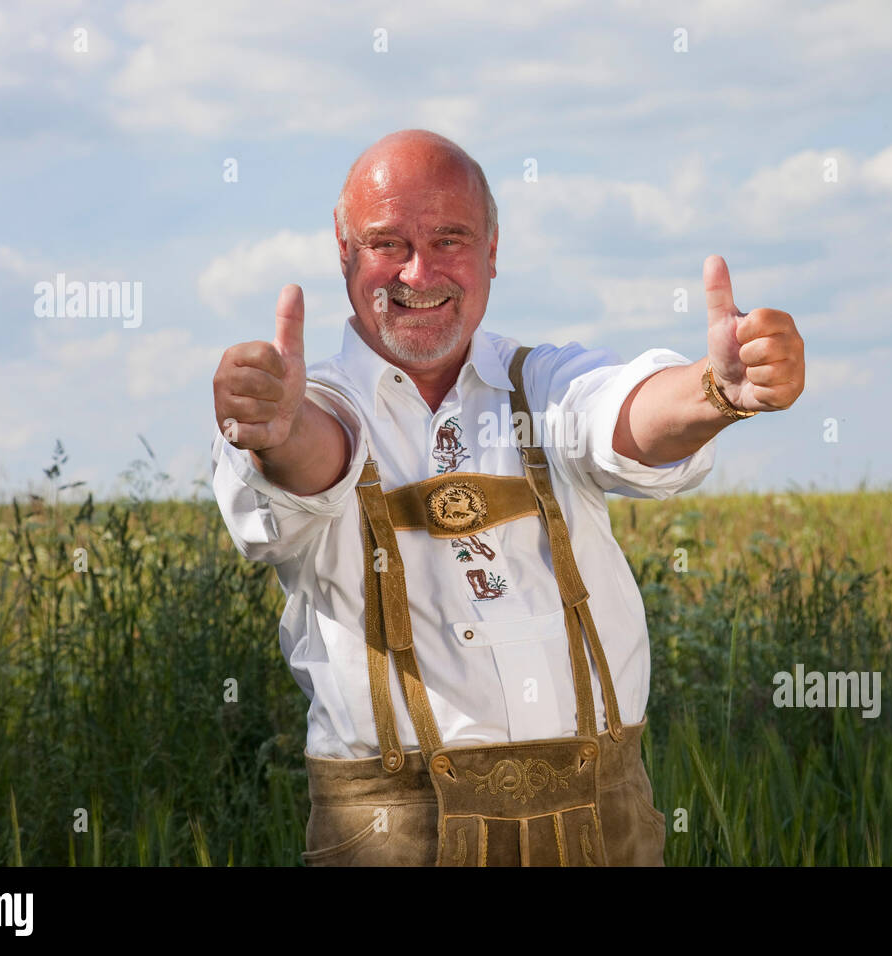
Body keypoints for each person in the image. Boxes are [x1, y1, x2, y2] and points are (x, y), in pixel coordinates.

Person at [209, 129, 805, 866]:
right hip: (394, 837)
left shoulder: (543, 382)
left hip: (606, 821)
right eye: (387, 243)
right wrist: (279, 428)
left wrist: (717, 391)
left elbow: (620, 413)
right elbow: (317, 455)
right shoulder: (315, 402)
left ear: (493, 250)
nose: (418, 270)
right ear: (344, 254)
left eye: (449, 238)